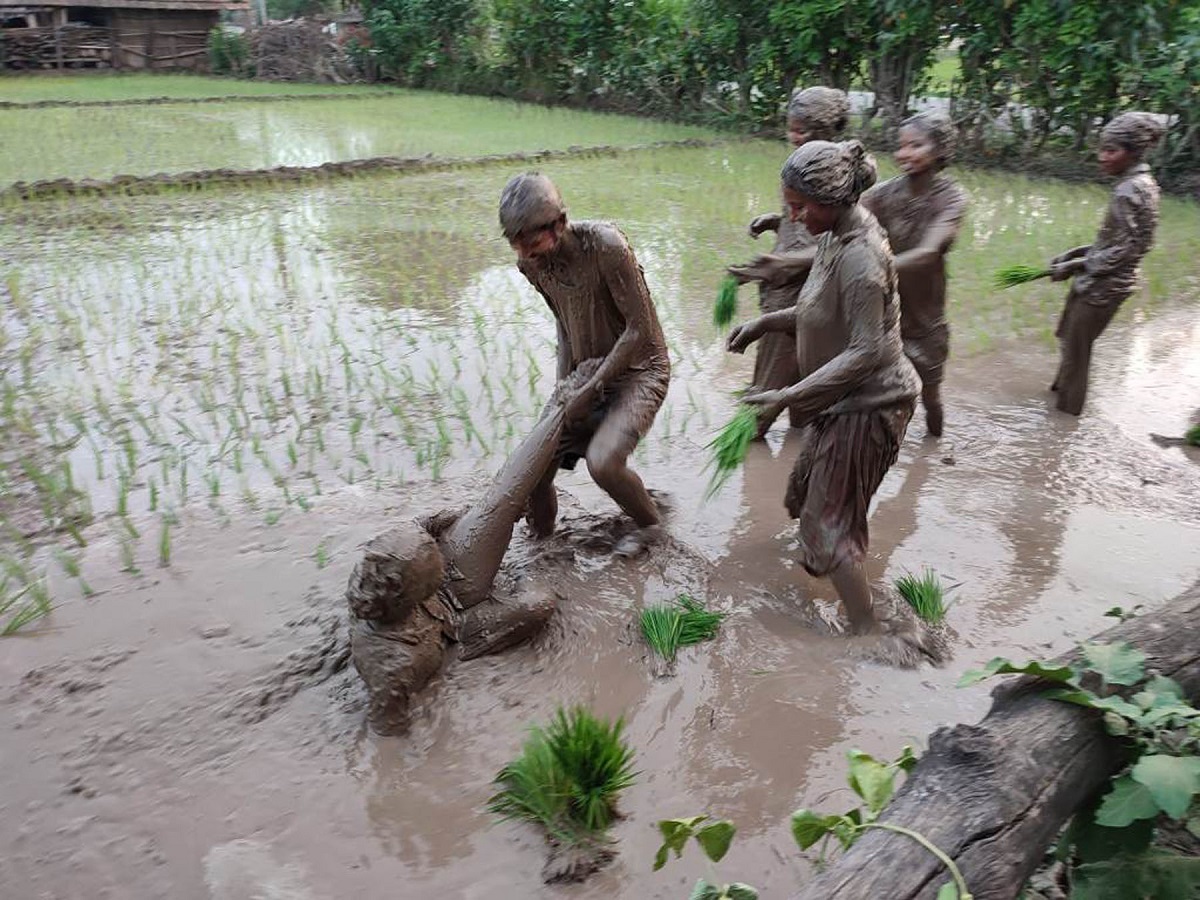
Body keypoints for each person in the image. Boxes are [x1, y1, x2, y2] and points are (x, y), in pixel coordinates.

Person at [726, 141, 920, 635]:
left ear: (834, 201)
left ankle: (869, 629)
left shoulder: (861, 260)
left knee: (828, 531)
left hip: (871, 405)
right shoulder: (834, 236)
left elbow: (866, 352)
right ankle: (822, 556)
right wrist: (766, 322)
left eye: (800, 206)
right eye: (789, 204)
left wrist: (789, 396)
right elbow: (816, 310)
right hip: (839, 401)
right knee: (800, 495)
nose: (792, 215)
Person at [500, 172, 670, 555]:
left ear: (560, 223)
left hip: (641, 370)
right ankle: (540, 542)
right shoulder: (532, 266)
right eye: (516, 245)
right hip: (585, 371)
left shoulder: (608, 247)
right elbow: (562, 322)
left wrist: (590, 390)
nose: (524, 254)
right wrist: (564, 390)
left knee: (603, 462)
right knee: (535, 468)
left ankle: (652, 527)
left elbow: (639, 330)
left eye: (531, 243)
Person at [729, 86, 851, 439]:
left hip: (805, 295)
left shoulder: (836, 171)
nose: (793, 136)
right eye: (791, 128)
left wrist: (784, 263)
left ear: (827, 130)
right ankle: (801, 446)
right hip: (786, 290)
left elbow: (847, 240)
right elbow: (803, 215)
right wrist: (776, 220)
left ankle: (746, 443)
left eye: (802, 130)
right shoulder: (805, 162)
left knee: (766, 389)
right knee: (801, 380)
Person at [1047, 111, 1164, 416]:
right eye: (1102, 149)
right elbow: (1131, 243)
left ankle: (1062, 424)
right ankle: (1057, 398)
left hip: (1103, 287)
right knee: (1069, 343)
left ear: (1132, 152)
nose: (1102, 158)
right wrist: (1076, 254)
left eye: (1111, 151)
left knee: (1076, 357)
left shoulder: (1129, 190)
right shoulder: (1144, 184)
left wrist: (1074, 266)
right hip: (1106, 282)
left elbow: (1124, 251)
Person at [860, 112, 967, 437]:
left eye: (916, 145)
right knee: (867, 391)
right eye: (901, 146)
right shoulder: (882, 194)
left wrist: (872, 269)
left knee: (930, 396)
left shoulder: (951, 199)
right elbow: (845, 219)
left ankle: (933, 448)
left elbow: (929, 253)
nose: (904, 153)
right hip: (882, 314)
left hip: (925, 321)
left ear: (940, 150)